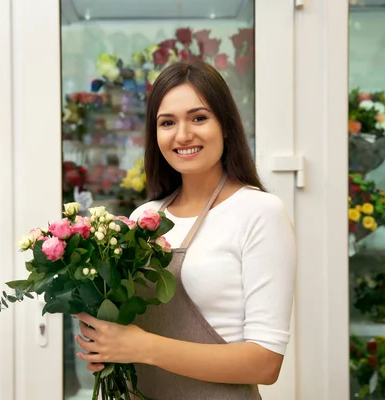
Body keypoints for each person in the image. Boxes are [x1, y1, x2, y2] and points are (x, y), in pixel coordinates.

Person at [73, 61, 296, 399]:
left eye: (199, 118)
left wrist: (141, 346)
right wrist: (107, 347)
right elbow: (133, 332)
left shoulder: (259, 212)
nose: (182, 135)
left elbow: (265, 363)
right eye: (167, 122)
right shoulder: (145, 216)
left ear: (226, 126)